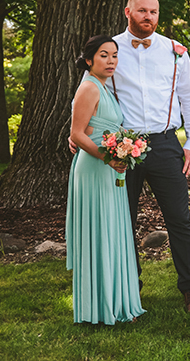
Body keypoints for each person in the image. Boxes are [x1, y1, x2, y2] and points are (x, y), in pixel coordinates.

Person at [112, 0, 190, 315]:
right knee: (121, 220)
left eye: (153, 12)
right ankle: (128, 287)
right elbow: (90, 86)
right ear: (128, 12)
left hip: (166, 144)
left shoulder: (175, 51)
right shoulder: (110, 49)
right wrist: (77, 128)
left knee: (180, 220)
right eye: (142, 11)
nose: (148, 17)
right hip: (121, 147)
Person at [66, 35, 145, 325]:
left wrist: (124, 150)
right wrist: (107, 158)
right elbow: (77, 133)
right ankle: (100, 308)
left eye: (114, 55)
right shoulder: (89, 87)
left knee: (112, 232)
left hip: (110, 166)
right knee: (100, 233)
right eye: (104, 55)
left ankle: (116, 302)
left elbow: (89, 126)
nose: (111, 61)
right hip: (96, 168)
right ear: (89, 60)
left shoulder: (102, 86)